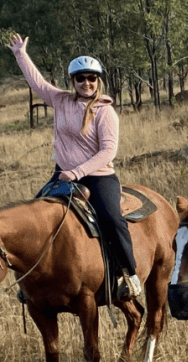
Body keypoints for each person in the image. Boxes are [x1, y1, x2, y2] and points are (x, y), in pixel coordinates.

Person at [7, 34, 141, 300]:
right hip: (63, 175)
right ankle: (30, 282)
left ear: (98, 81)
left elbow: (108, 152)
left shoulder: (105, 112)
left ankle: (129, 274)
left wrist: (77, 172)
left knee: (112, 219)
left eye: (92, 78)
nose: (87, 83)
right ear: (73, 81)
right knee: (32, 220)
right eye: (81, 78)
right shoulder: (61, 101)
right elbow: (38, 83)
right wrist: (20, 54)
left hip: (98, 177)